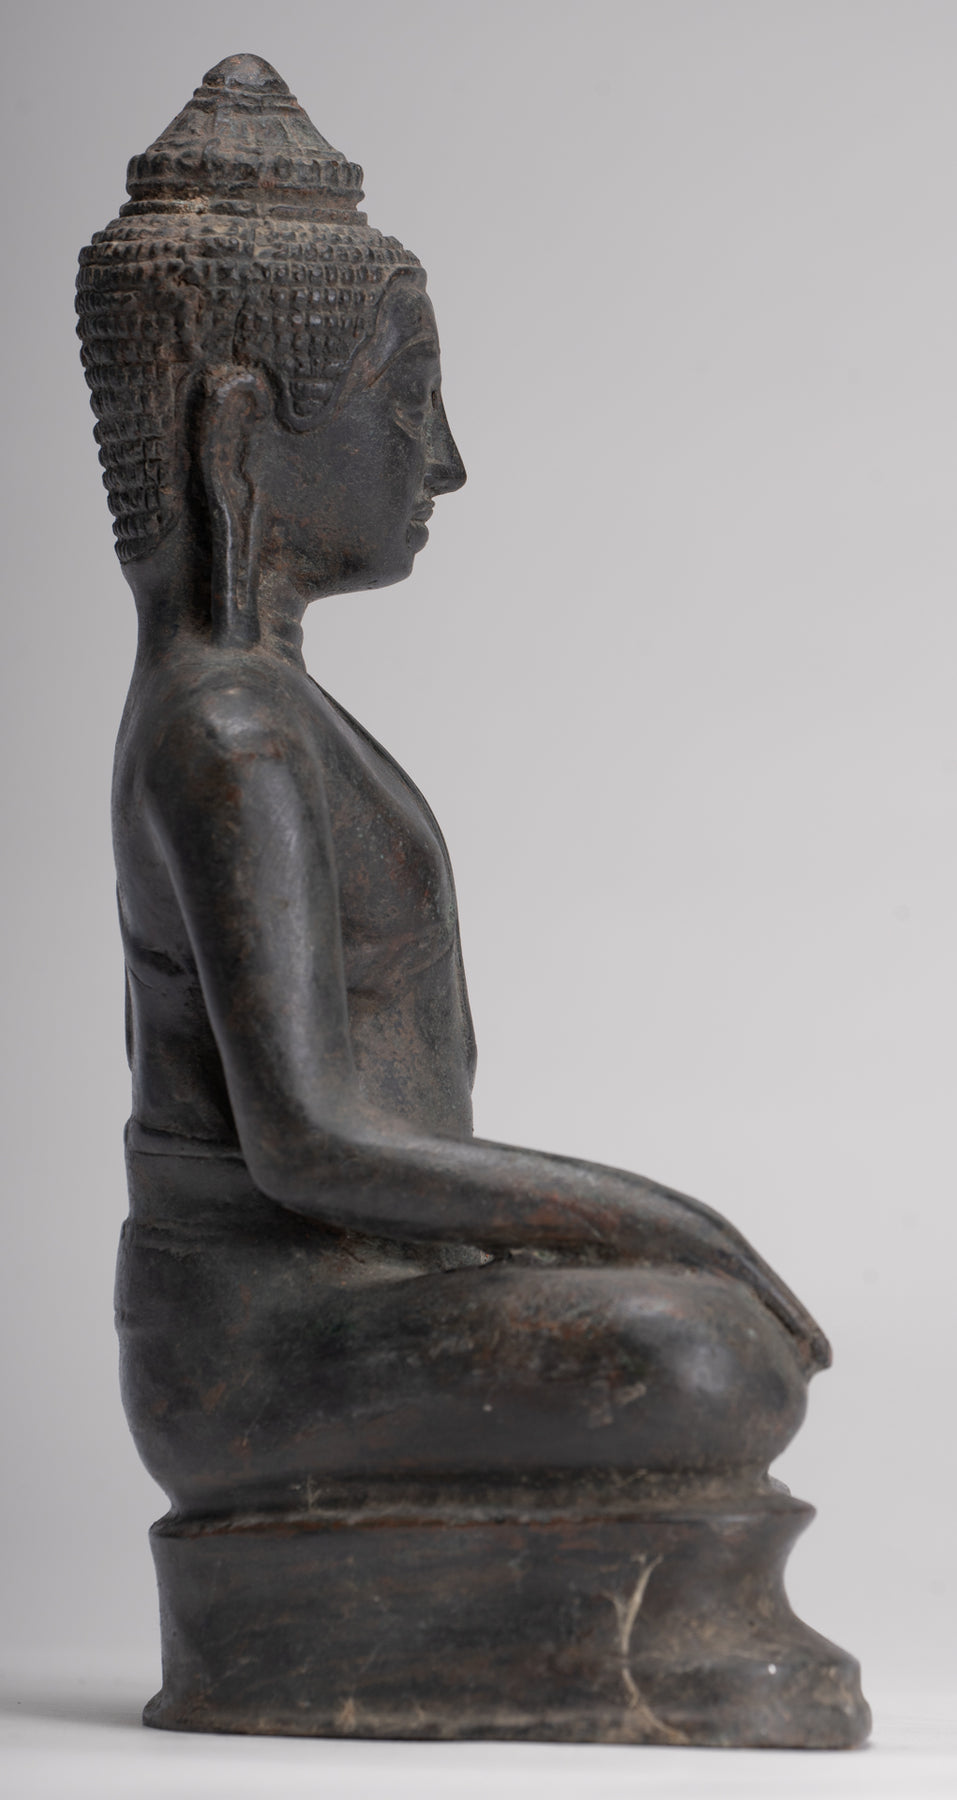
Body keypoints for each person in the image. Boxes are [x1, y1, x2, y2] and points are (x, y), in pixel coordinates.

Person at [77, 55, 867, 1745]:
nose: (441, 461)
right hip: (262, 1354)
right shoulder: (228, 733)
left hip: (356, 1306)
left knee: (707, 1344)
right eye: (405, 402)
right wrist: (673, 1223)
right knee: (698, 1350)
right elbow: (310, 1150)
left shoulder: (270, 715)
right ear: (238, 435)